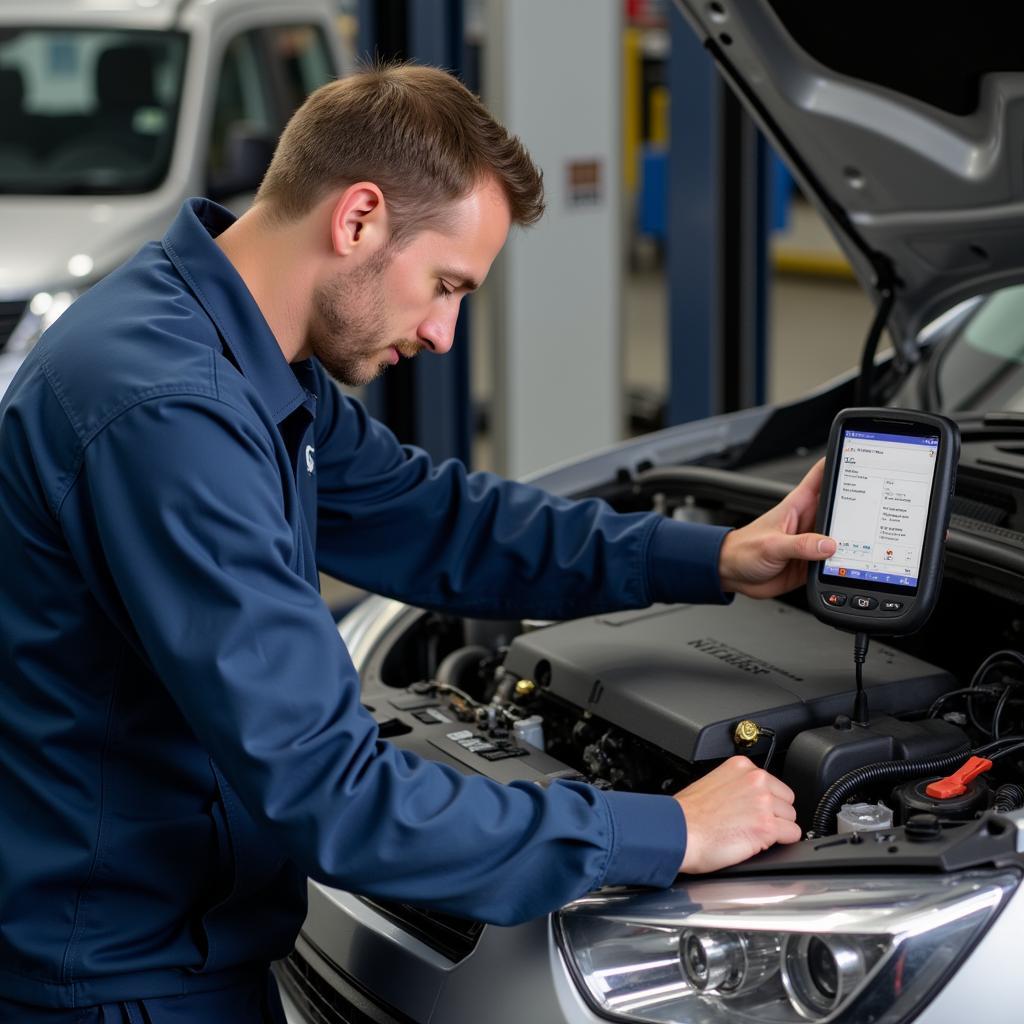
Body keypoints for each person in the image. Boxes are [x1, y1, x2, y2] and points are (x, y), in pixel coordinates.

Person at [0, 63, 837, 1022]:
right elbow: (332, 795)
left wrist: (710, 558)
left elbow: (439, 518)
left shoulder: (245, 354)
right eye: (445, 284)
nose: (444, 334)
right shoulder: (169, 411)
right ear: (358, 218)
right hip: (118, 984)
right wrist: (663, 829)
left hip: (173, 939)